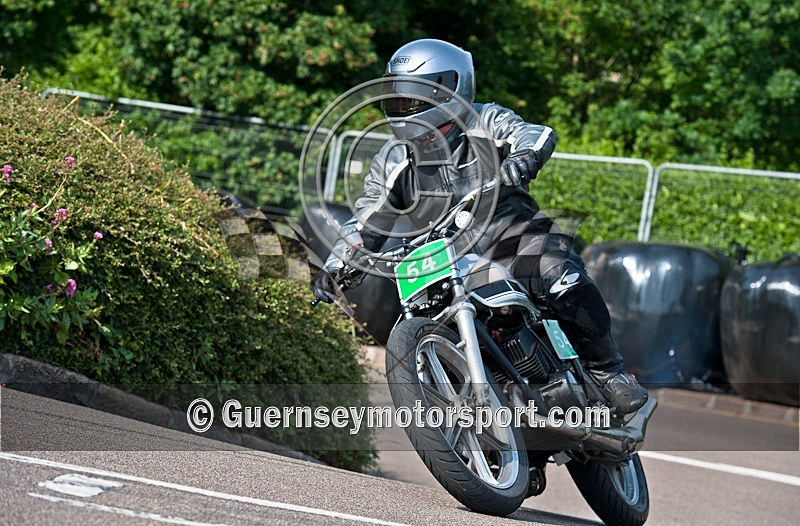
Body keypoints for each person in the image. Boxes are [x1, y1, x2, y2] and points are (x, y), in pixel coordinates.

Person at [312, 38, 647, 415]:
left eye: (413, 98)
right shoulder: (393, 159)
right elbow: (367, 219)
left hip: (511, 233)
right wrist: (336, 265)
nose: (404, 108)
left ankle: (607, 372)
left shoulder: (484, 121)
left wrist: (525, 156)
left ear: (449, 89)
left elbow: (533, 133)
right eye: (398, 97)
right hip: (442, 256)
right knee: (423, 315)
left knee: (559, 278)